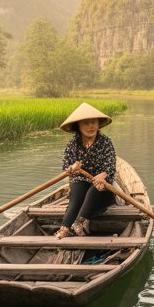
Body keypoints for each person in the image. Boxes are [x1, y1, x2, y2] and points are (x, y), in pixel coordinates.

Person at [56, 102, 118, 239]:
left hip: (102, 184)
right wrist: (72, 168)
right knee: (76, 195)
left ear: (98, 124)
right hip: (81, 179)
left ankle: (78, 223)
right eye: (86, 123)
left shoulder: (105, 142)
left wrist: (102, 175)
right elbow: (66, 166)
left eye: (93, 122)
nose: (90, 126)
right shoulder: (73, 144)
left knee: (94, 189)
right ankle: (65, 227)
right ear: (78, 126)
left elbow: (111, 165)